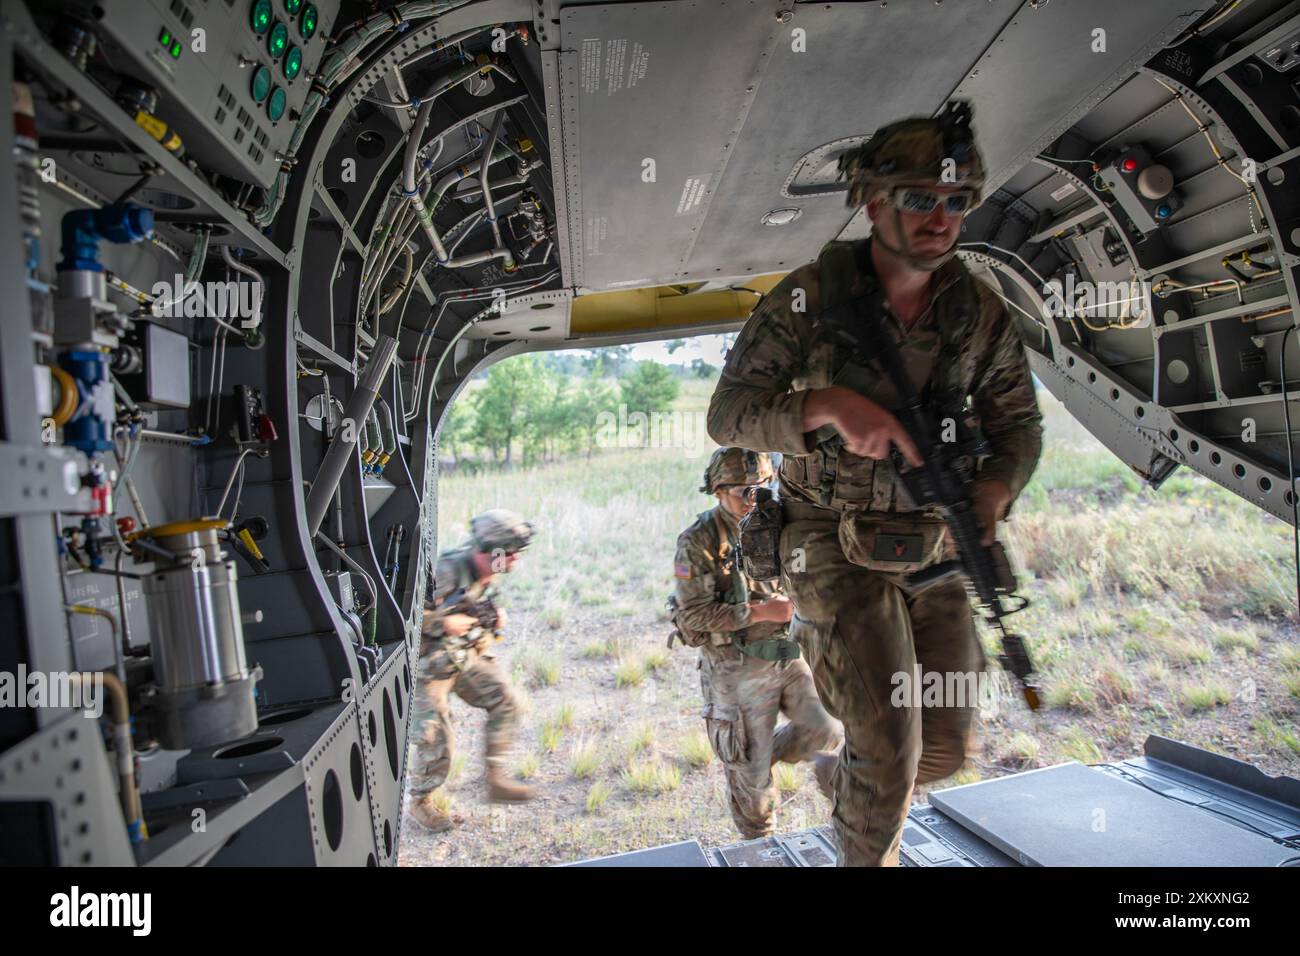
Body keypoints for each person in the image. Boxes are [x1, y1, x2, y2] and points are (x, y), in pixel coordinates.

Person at [706, 101, 1044, 865]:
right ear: (871, 201)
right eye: (921, 198)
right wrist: (823, 406)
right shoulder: (810, 299)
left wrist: (993, 495)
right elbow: (729, 415)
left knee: (945, 746)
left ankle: (847, 779)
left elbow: (1018, 427)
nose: (941, 219)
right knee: (890, 744)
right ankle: (868, 829)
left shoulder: (977, 314)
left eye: (958, 202)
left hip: (935, 539)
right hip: (828, 539)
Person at [671, 447, 842, 840]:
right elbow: (692, 615)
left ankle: (764, 755)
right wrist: (760, 612)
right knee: (755, 797)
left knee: (827, 729)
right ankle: (758, 844)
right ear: (717, 490)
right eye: (742, 491)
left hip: (787, 654)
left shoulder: (780, 523)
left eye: (763, 487)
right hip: (734, 666)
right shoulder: (698, 541)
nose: (754, 498)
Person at [408, 509, 537, 833]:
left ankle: (495, 779)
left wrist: (493, 619)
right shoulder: (446, 570)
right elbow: (403, 616)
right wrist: (442, 622)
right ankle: (420, 802)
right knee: (437, 738)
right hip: (426, 668)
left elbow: (474, 611)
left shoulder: (485, 575)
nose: (513, 563)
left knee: (506, 699)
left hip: (458, 658)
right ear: (491, 552)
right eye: (509, 556)